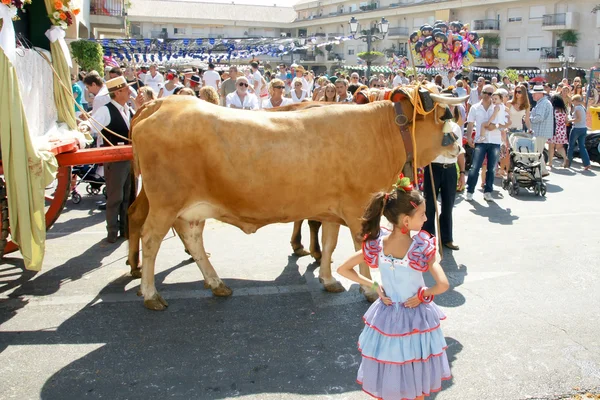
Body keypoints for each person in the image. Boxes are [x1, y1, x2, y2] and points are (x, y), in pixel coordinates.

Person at [336, 180, 450, 400]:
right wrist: (422, 295)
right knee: (417, 372)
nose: (426, 219)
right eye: (423, 214)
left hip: (387, 318)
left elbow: (343, 269)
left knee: (391, 368)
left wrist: (374, 285)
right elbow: (443, 285)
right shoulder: (421, 246)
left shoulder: (377, 244)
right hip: (416, 319)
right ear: (406, 220)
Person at [78, 77, 133, 243]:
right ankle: (112, 232)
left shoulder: (128, 110)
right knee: (115, 197)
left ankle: (124, 229)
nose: (130, 91)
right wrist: (85, 126)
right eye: (126, 89)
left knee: (127, 197)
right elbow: (92, 124)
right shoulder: (106, 110)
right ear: (117, 92)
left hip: (129, 159)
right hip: (115, 160)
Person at [423, 106, 465, 251]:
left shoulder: (455, 127)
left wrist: (463, 173)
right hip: (432, 168)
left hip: (450, 170)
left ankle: (447, 239)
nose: (449, 110)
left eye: (451, 107)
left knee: (448, 206)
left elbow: (460, 151)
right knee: (429, 207)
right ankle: (427, 240)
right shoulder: (430, 126)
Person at [465, 84, 509, 202]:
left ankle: (488, 191)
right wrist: (469, 137)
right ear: (481, 93)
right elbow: (470, 123)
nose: (488, 96)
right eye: (486, 93)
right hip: (480, 140)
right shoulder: (475, 107)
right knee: (475, 167)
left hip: (494, 140)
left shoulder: (499, 107)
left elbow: (507, 122)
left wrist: (499, 129)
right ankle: (469, 191)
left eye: (491, 94)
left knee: (492, 168)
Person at [529, 85, 552, 176]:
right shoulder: (544, 102)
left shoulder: (542, 103)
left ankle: (541, 171)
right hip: (542, 131)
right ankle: (542, 170)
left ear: (540, 94)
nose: (533, 96)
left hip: (540, 131)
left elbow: (539, 117)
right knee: (538, 152)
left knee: (537, 152)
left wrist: (529, 119)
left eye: (534, 94)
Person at [566, 95, 592, 170]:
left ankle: (568, 163)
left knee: (571, 146)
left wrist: (569, 120)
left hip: (577, 128)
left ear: (576, 101)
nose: (572, 102)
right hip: (583, 128)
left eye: (573, 101)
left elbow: (578, 119)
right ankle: (587, 164)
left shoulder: (577, 108)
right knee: (582, 146)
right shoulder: (583, 107)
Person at [548, 94, 569, 169]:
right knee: (559, 147)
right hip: (562, 130)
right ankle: (565, 158)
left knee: (551, 147)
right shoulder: (564, 110)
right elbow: (566, 121)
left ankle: (550, 162)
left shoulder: (553, 110)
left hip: (554, 130)